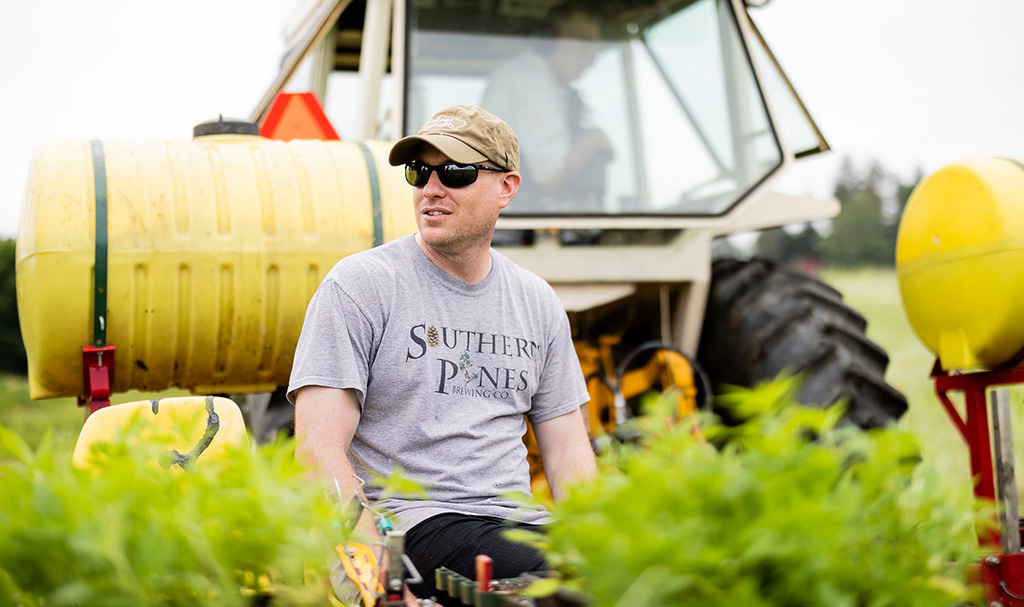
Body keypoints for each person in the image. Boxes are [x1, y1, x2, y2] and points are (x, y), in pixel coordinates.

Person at [288, 104, 597, 600]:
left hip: (517, 526)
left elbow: (566, 449)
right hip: (414, 525)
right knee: (563, 585)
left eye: (455, 172)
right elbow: (316, 450)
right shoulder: (362, 285)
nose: (431, 188)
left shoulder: (536, 301)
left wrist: (601, 542)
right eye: (420, 172)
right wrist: (377, 574)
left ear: (507, 188)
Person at [480, 2, 611, 212]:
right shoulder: (529, 80)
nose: (591, 55)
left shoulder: (546, 82)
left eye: (595, 46)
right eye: (583, 43)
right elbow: (549, 177)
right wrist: (593, 139)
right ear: (549, 40)